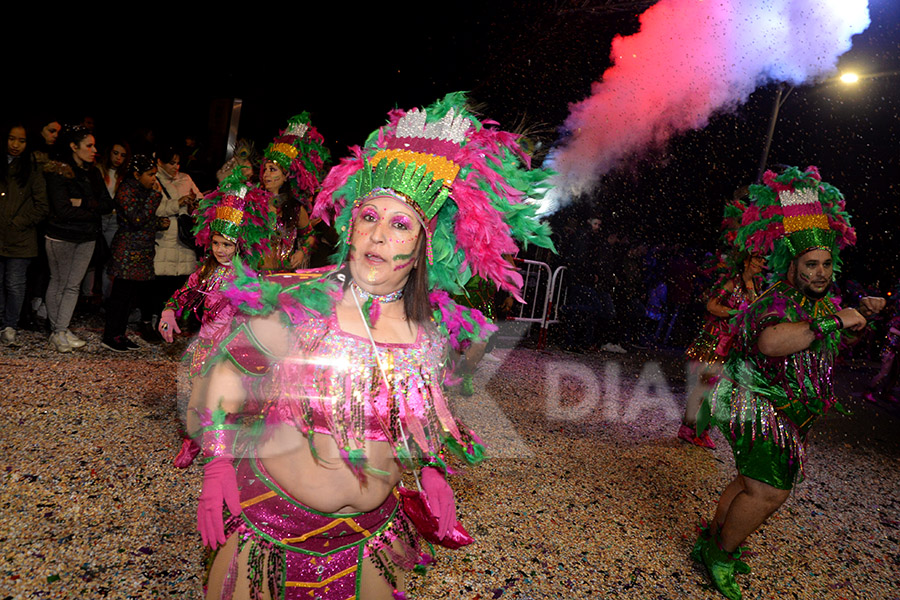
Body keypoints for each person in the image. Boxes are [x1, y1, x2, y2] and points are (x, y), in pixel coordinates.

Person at [191, 93, 554, 600]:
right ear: (350, 226)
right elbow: (225, 376)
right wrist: (217, 463)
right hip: (272, 526)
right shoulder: (304, 304)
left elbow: (420, 412)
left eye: (400, 224)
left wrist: (432, 469)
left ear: (425, 245)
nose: (378, 236)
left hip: (367, 537)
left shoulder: (430, 335)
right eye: (368, 217)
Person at [692, 166, 885, 599]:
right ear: (791, 264)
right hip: (759, 406)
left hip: (787, 412)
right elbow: (771, 342)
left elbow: (828, 345)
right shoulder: (778, 297)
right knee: (768, 492)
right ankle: (720, 556)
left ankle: (711, 542)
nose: (820, 272)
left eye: (826, 263)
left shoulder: (820, 300)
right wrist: (834, 320)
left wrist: (860, 319)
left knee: (746, 482)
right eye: (810, 264)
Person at [159, 169, 273, 464]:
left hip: (233, 352)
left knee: (226, 404)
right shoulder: (205, 272)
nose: (221, 249)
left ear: (240, 246)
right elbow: (182, 294)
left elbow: (262, 310)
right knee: (196, 400)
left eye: (228, 244)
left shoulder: (247, 278)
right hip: (206, 347)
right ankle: (192, 443)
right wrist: (169, 310)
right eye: (217, 243)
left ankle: (220, 451)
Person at [679, 245, 765, 448]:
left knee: (722, 391)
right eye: (758, 258)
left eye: (763, 259)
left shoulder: (756, 285)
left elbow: (755, 312)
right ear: (746, 261)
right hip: (717, 342)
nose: (763, 262)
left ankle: (702, 429)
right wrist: (735, 313)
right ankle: (689, 429)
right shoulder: (730, 282)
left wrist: (750, 289)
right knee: (705, 386)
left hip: (734, 345)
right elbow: (711, 306)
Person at [42, 125, 113, 352]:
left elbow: (106, 204)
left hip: (86, 236)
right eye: (88, 145)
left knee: (72, 286)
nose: (94, 150)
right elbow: (62, 209)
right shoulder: (58, 171)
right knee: (59, 283)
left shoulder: (92, 173)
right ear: (74, 146)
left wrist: (81, 203)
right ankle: (58, 331)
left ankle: (61, 330)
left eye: (94, 145)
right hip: (61, 236)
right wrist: (91, 210)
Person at [100, 155, 165, 351]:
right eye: (150, 174)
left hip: (141, 250)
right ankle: (110, 335)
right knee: (120, 295)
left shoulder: (143, 190)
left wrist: (157, 223)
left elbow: (143, 219)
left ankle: (120, 334)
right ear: (137, 174)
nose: (154, 179)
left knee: (129, 297)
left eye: (155, 174)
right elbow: (136, 219)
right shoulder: (126, 191)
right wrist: (155, 198)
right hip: (127, 251)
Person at [259, 113, 330, 271]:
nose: (266, 174)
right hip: (251, 276)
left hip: (281, 276)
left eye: (273, 170)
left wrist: (301, 252)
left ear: (285, 176)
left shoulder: (295, 209)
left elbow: (309, 236)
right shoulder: (253, 203)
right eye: (265, 170)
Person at [1, 121, 49, 346]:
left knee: (14, 282)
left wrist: (18, 222)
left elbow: (42, 206)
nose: (15, 145)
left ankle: (10, 324)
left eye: (21, 140)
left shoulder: (32, 169)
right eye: (12, 138)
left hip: (20, 237)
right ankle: (3, 323)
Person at [152, 145, 203, 337]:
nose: (176, 166)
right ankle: (160, 326)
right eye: (171, 163)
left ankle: (175, 327)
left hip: (184, 239)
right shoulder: (154, 178)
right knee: (161, 286)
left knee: (180, 286)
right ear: (160, 162)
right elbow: (154, 208)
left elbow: (201, 202)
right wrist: (178, 203)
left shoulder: (186, 178)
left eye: (178, 162)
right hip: (164, 239)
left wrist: (194, 205)